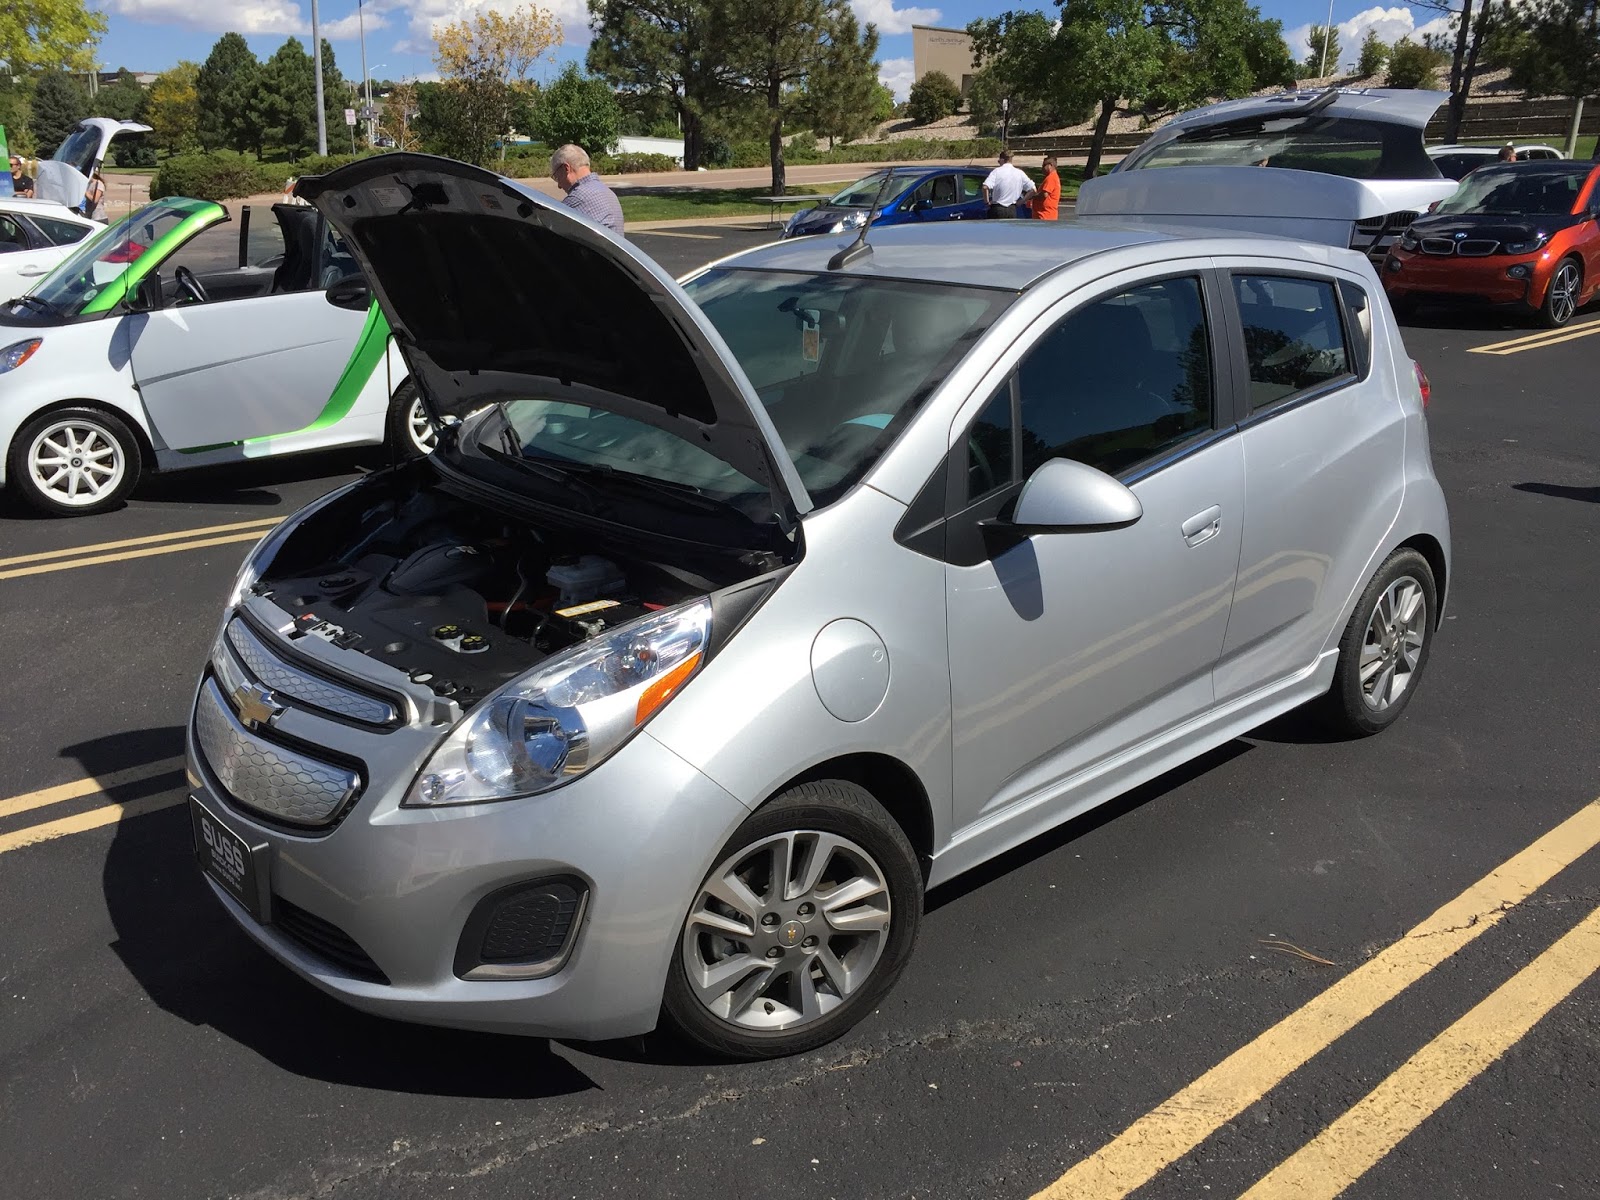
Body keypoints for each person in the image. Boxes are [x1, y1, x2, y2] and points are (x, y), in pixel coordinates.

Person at [549, 144, 624, 233]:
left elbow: (551, 230)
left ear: (566, 169)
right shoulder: (608, 192)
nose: (559, 186)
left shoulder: (578, 198)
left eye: (557, 177)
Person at [982, 150, 1034, 219]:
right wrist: (1021, 202)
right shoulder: (1019, 173)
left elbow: (985, 187)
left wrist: (987, 202)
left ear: (1002, 160)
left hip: (997, 208)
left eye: (999, 161)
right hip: (1012, 209)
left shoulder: (996, 172)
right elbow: (1033, 190)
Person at [1028, 155, 1061, 221]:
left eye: (1044, 165)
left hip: (1045, 215)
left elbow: (1044, 194)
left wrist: (1033, 196)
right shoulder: (1052, 177)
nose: (1042, 168)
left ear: (1050, 165)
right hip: (1044, 215)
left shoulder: (1051, 178)